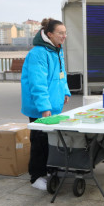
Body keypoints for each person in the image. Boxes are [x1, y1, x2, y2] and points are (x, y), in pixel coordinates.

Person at [21, 18, 71, 191]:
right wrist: (44, 108)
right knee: (39, 141)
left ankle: (49, 170)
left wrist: (65, 91)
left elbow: (62, 73)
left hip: (53, 105)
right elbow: (37, 83)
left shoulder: (57, 50)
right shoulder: (38, 53)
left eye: (65, 32)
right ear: (49, 34)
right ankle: (36, 176)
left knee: (51, 141)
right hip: (40, 107)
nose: (64, 36)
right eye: (61, 33)